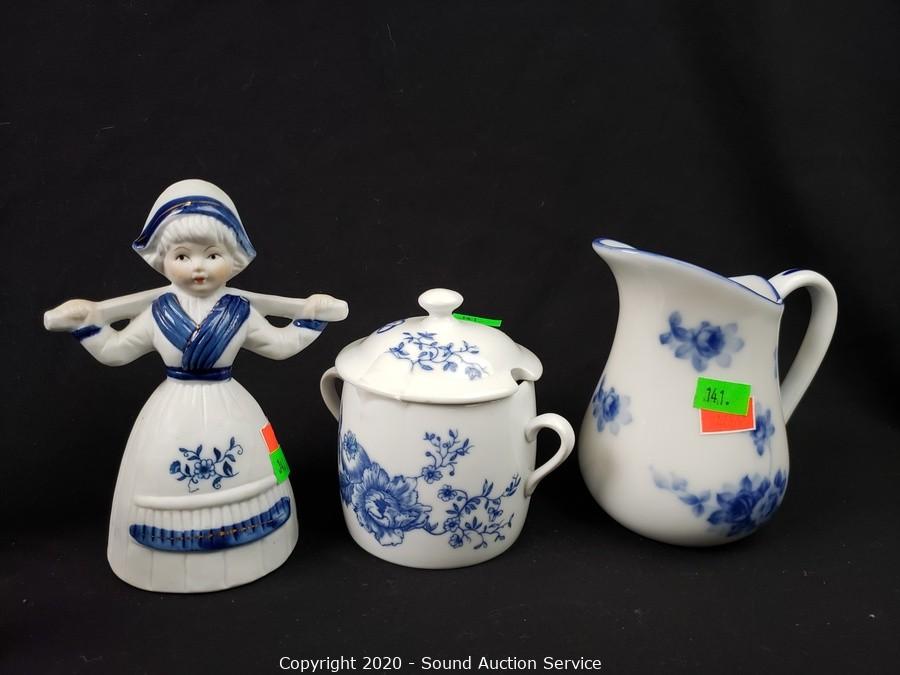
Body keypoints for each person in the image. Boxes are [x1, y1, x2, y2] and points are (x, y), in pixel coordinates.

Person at [54, 179, 340, 592]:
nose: (198, 267)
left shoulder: (239, 312)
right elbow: (116, 351)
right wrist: (86, 324)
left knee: (257, 467)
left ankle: (259, 539)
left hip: (231, 406)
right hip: (172, 412)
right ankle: (162, 554)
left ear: (234, 258)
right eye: (182, 256)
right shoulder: (158, 313)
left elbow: (279, 346)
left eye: (212, 254)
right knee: (159, 480)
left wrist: (312, 318)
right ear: (163, 260)